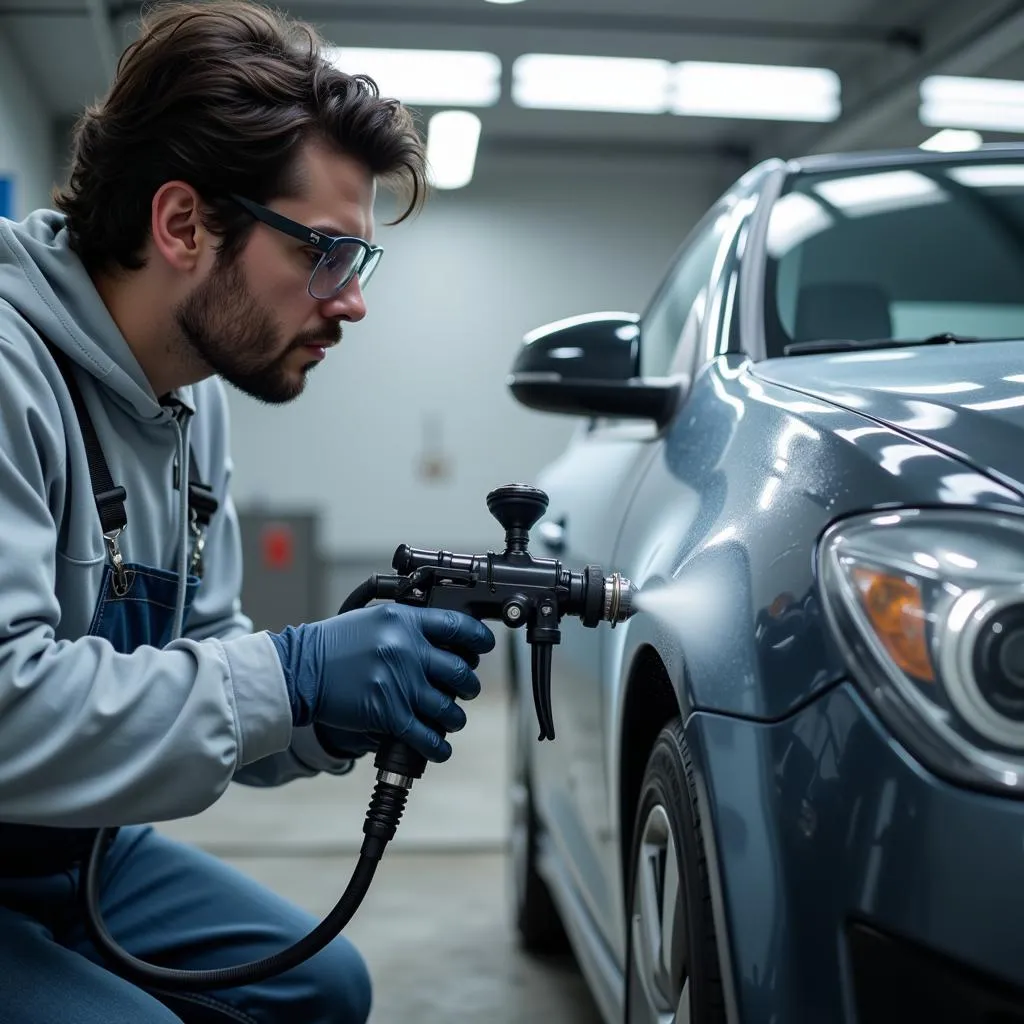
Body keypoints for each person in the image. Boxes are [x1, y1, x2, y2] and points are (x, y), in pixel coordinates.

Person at [0, 2, 496, 1022]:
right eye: (324, 252)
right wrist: (292, 668)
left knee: (320, 987)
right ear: (183, 224)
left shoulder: (195, 399)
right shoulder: (11, 372)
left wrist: (323, 713)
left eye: (357, 262)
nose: (350, 301)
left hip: (72, 842)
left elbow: (209, 659)